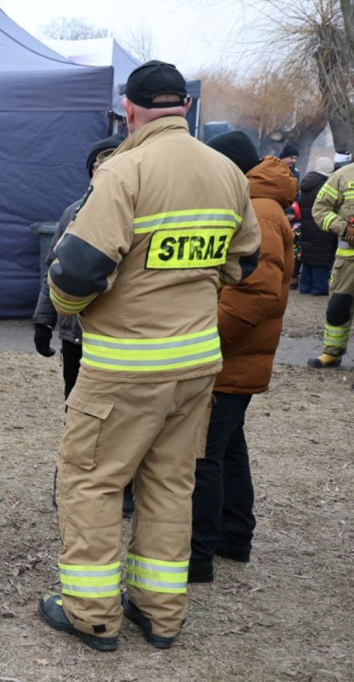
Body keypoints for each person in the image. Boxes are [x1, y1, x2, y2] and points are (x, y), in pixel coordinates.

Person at [38, 60, 261, 652]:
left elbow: (80, 268)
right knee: (169, 486)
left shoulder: (123, 170)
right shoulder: (228, 172)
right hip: (195, 368)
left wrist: (64, 301)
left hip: (124, 368)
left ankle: (92, 615)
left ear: (130, 112)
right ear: (184, 107)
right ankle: (161, 613)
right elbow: (244, 263)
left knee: (91, 483)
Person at [190, 131, 296, 583]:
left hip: (229, 356)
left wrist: (201, 342)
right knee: (229, 448)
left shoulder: (257, 211)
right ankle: (235, 536)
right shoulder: (260, 204)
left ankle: (197, 555)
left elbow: (253, 297)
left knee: (203, 455)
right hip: (239, 356)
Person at [33, 133, 133, 515]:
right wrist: (45, 319)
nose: (101, 168)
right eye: (96, 163)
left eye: (109, 161)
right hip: (76, 338)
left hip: (116, 338)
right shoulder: (73, 211)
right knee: (77, 412)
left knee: (122, 418)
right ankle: (73, 482)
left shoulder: (135, 211)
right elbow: (54, 270)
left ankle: (123, 486)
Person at [308, 151, 354, 369]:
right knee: (338, 307)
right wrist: (343, 227)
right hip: (348, 262)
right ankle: (332, 353)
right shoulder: (343, 176)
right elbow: (320, 209)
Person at [297, 157, 338, 295]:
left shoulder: (306, 182)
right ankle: (318, 288)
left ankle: (304, 287)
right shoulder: (325, 185)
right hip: (321, 226)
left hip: (306, 226)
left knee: (308, 255)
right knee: (321, 257)